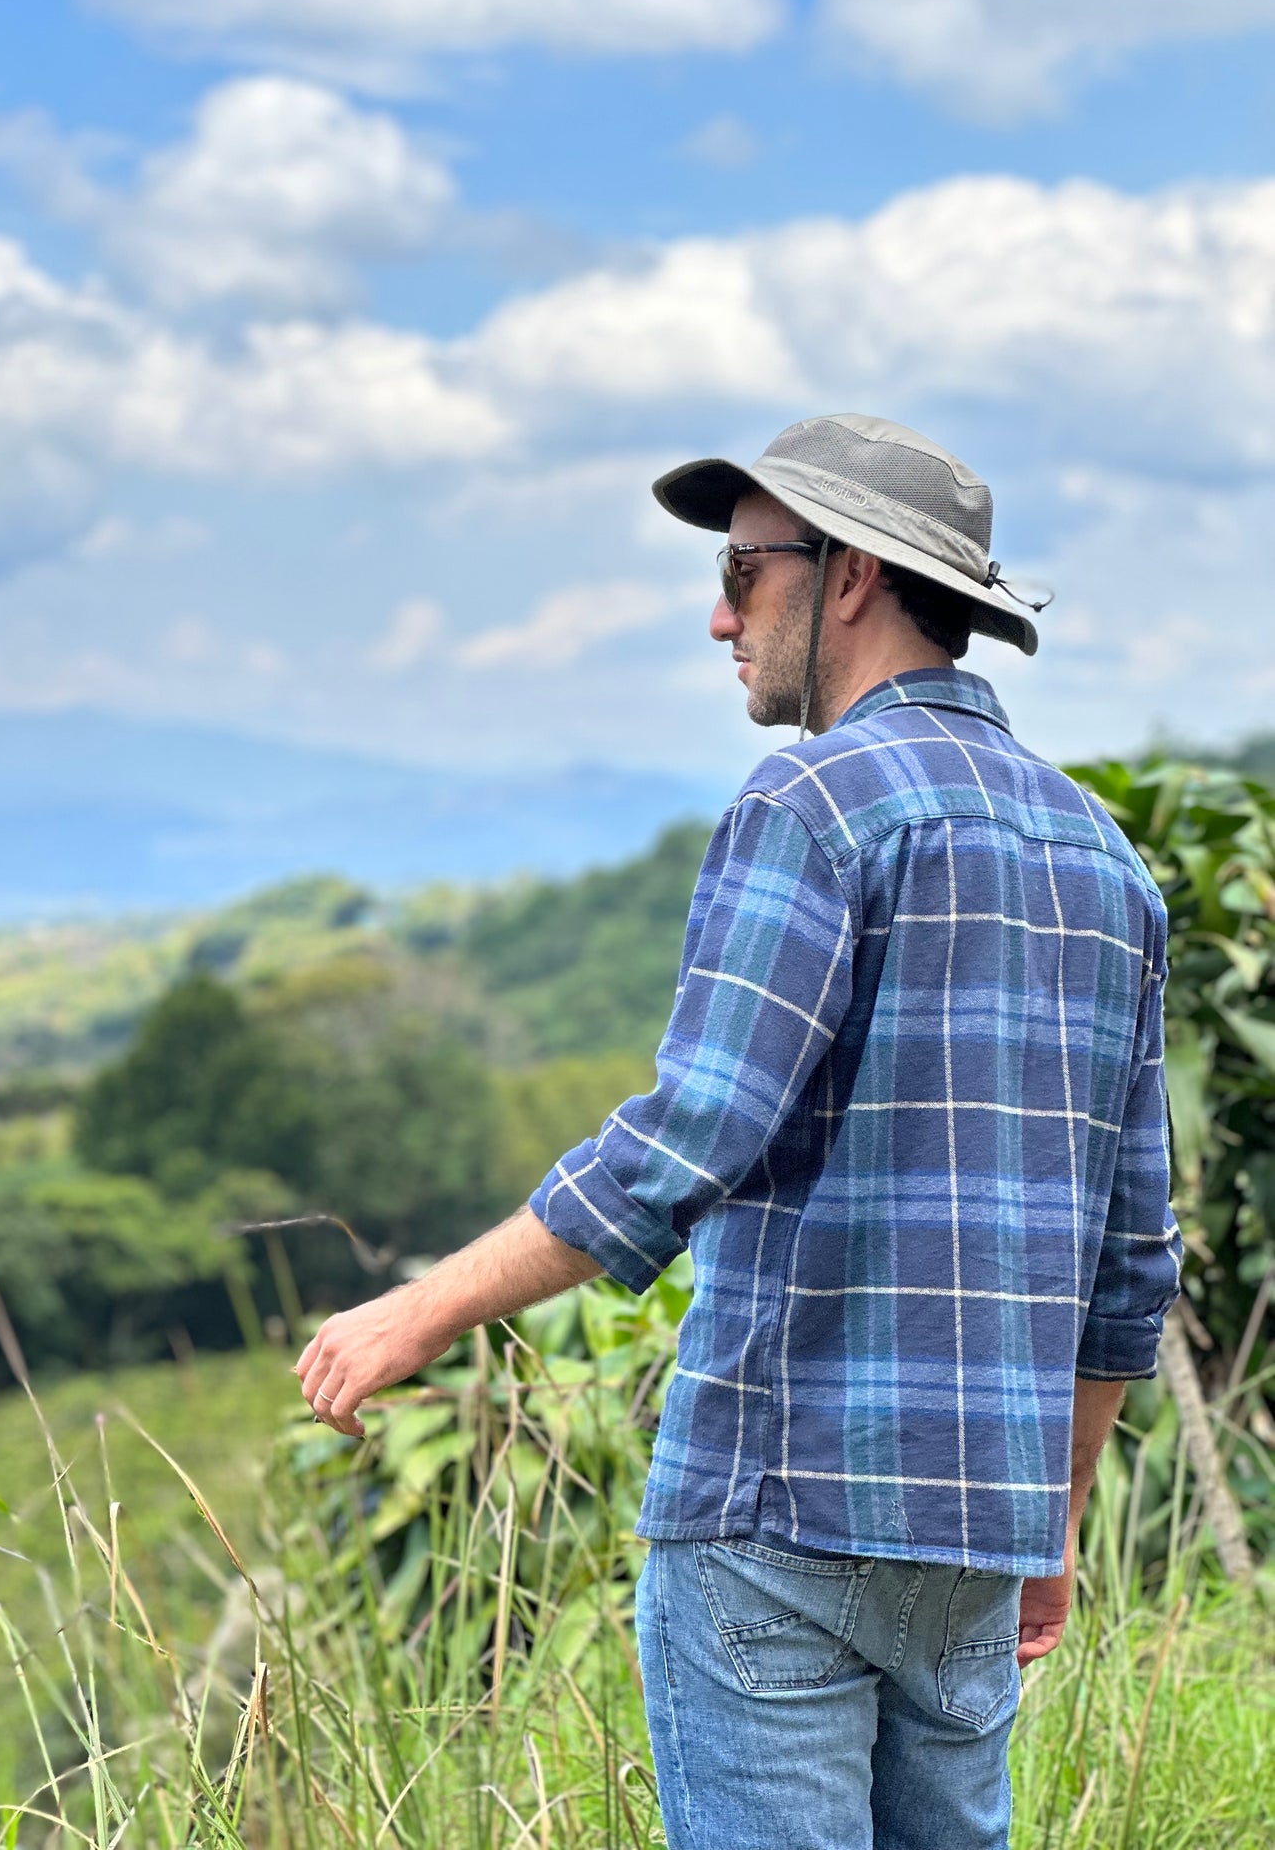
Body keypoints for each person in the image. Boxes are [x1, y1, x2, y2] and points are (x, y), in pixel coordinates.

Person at [294, 413, 1182, 1850]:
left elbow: (686, 1134)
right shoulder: (1106, 860)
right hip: (979, 1532)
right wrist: (1052, 1524)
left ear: (850, 578)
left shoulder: (813, 800)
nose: (719, 615)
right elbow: (1129, 1258)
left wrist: (423, 1307)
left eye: (745, 572)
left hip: (780, 1509)